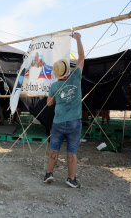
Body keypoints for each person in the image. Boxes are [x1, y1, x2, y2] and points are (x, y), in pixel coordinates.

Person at [44, 32, 85, 188]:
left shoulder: (54, 86)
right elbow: (81, 58)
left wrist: (54, 97)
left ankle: (48, 174)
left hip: (58, 121)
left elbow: (49, 104)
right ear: (67, 69)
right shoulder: (76, 76)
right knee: (72, 150)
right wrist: (78, 39)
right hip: (74, 122)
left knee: (54, 148)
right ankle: (71, 178)